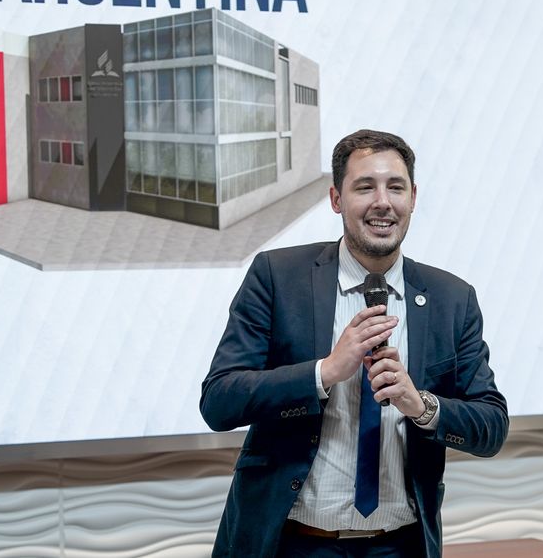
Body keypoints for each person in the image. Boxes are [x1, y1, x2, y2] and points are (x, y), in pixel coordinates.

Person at [200, 129, 508, 557]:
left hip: (399, 546)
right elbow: (219, 401)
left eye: (395, 187)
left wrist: (420, 405)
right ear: (336, 199)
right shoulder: (277, 277)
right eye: (365, 187)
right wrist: (323, 373)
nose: (383, 202)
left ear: (413, 198)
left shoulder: (452, 299)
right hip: (292, 544)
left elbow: (491, 427)